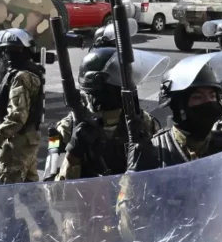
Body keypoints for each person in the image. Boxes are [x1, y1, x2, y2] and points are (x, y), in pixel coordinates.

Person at [50, 47, 165, 179]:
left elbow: (161, 179)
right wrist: (73, 155)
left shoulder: (144, 123)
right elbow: (52, 190)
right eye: (120, 81)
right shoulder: (64, 129)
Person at [0, 29, 44, 184]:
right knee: (30, 191)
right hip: (27, 139)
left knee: (5, 191)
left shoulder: (21, 77)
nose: (9, 54)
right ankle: (41, 210)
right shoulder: (28, 72)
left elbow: (17, 116)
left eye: (14, 50)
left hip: (17, 142)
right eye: (7, 50)